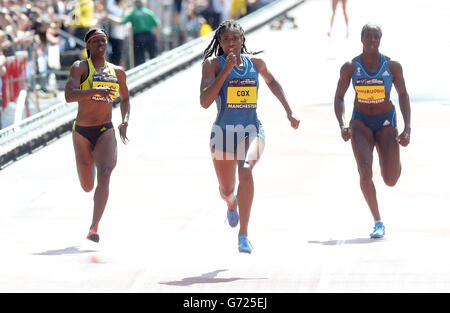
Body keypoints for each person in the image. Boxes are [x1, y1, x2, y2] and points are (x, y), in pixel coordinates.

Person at [200, 20, 300, 253]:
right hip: (223, 133)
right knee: (226, 189)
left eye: (235, 38)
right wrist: (225, 71)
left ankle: (243, 234)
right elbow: (205, 102)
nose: (231, 43)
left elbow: (272, 81)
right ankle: (231, 203)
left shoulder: (256, 63)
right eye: (226, 39)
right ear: (220, 43)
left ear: (243, 40)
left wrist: (289, 110)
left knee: (245, 170)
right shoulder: (213, 64)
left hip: (251, 129)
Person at [333, 23, 411, 238]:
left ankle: (392, 161)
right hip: (361, 124)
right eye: (368, 37)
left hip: (386, 124)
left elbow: (403, 95)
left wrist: (407, 128)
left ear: (380, 40)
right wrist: (342, 123)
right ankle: (378, 221)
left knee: (390, 179)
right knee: (365, 172)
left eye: (376, 37)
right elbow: (339, 97)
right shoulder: (350, 67)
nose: (372, 41)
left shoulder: (392, 66)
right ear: (361, 39)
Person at [64, 28, 130, 243]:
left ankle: (94, 226)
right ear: (89, 46)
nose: (101, 44)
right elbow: (69, 95)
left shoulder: (117, 71)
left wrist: (125, 120)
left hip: (105, 130)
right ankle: (90, 161)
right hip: (82, 132)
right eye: (96, 41)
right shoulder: (80, 67)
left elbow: (126, 99)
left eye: (104, 40)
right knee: (87, 186)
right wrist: (95, 91)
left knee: (105, 174)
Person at [106, 0, 160, 67]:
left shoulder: (133, 13)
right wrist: (157, 36)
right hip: (150, 36)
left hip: (138, 37)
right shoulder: (149, 12)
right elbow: (157, 25)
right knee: (153, 55)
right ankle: (155, 70)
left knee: (139, 58)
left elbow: (121, 22)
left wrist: (108, 16)